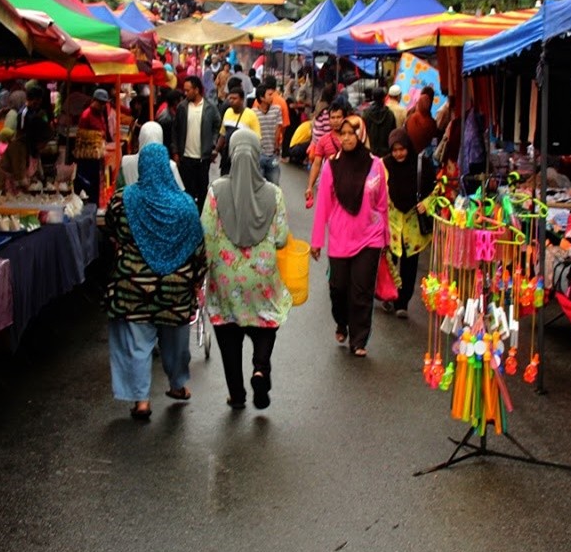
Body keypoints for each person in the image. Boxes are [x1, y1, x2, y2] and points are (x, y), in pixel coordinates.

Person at [104, 141, 207, 421]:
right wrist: (197, 279)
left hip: (132, 288)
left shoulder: (123, 199)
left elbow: (110, 230)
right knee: (176, 344)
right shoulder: (186, 205)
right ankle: (177, 385)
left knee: (136, 345)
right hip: (175, 291)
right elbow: (198, 248)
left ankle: (141, 401)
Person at [201, 129, 292, 409]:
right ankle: (260, 369)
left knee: (228, 333)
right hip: (261, 278)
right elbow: (281, 238)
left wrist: (203, 271)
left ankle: (237, 395)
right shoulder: (274, 194)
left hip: (225, 279)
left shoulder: (216, 191)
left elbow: (206, 234)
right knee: (265, 321)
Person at [309, 115, 389, 357]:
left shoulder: (376, 165)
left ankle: (359, 339)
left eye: (351, 133)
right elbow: (323, 205)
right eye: (342, 134)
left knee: (362, 291)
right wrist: (316, 241)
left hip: (370, 237)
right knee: (339, 288)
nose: (345, 138)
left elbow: (382, 204)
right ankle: (341, 322)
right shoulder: (331, 165)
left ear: (361, 135)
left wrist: (386, 237)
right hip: (340, 238)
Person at [380, 129, 431, 319]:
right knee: (389, 260)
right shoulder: (384, 165)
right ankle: (388, 294)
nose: (398, 154)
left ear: (408, 147)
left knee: (410, 265)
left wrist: (426, 203)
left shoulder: (421, 164)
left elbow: (434, 189)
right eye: (395, 150)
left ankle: (403, 303)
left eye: (402, 149)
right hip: (391, 222)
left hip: (413, 225)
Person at [171, 75, 220, 211]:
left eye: (188, 90)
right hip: (186, 158)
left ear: (196, 90)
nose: (185, 93)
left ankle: (201, 216)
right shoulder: (182, 108)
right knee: (187, 191)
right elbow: (175, 130)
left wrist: (213, 143)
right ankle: (189, 215)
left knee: (202, 189)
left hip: (202, 159)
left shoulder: (210, 108)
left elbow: (217, 125)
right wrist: (175, 151)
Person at [305, 94, 352, 209]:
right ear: (329, 119)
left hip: (349, 187)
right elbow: (316, 164)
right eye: (333, 117)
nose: (335, 121)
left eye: (338, 117)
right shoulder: (323, 141)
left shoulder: (352, 139)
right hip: (328, 187)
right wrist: (310, 187)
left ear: (344, 118)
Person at [217, 81, 261, 177]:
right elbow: (223, 135)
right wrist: (216, 150)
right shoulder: (227, 112)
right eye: (230, 98)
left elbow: (257, 139)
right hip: (227, 158)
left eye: (234, 98)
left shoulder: (251, 115)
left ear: (242, 100)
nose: (231, 101)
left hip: (243, 158)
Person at [75, 88, 112, 202]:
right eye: (100, 103)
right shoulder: (86, 115)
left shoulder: (100, 113)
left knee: (97, 183)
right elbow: (81, 136)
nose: (102, 106)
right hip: (87, 156)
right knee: (87, 184)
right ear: (93, 101)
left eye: (104, 103)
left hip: (97, 154)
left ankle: (95, 203)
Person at [121, 120, 179, 187]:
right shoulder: (171, 166)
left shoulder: (125, 161)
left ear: (140, 138)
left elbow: (119, 188)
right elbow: (179, 189)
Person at [251, 87, 284, 184]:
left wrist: (276, 146)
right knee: (259, 185)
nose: (272, 97)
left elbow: (278, 128)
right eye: (269, 95)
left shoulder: (277, 110)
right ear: (261, 98)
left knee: (274, 185)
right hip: (258, 155)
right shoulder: (253, 113)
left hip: (272, 154)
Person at [363, 84, 398, 159]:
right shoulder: (390, 114)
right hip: (386, 153)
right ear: (384, 98)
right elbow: (393, 133)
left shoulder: (366, 114)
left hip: (371, 151)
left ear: (373, 97)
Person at [406, 86, 440, 154]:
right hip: (424, 155)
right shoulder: (432, 123)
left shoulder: (411, 117)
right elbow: (434, 142)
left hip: (410, 153)